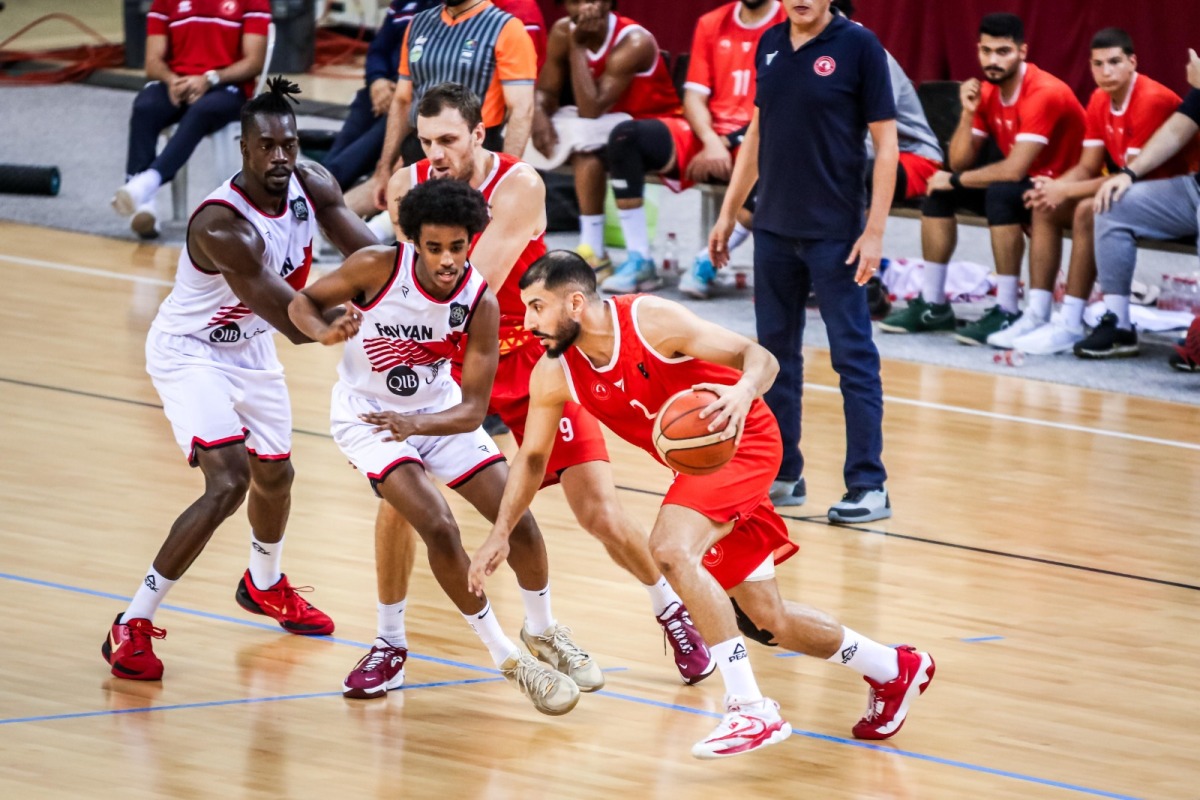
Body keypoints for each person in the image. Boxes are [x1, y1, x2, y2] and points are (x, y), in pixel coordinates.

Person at [467, 251, 935, 759]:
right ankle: (894, 668)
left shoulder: (651, 321)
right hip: (700, 468)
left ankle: (751, 709)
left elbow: (763, 358)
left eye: (537, 307)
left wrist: (741, 394)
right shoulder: (554, 373)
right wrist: (499, 534)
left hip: (746, 441)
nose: (529, 322)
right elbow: (533, 458)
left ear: (575, 302)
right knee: (768, 618)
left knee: (668, 548)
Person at [352, 83, 711, 698]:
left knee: (597, 509)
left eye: (449, 140)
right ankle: (390, 641)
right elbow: (382, 255)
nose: (435, 153)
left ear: (478, 136)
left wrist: (381, 295)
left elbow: (469, 287)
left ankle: (670, 611)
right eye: (426, 141)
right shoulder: (407, 183)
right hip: (445, 364)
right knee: (399, 497)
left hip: (530, 357)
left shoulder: (519, 185)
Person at [102, 78, 381, 681]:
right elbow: (292, 320)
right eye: (267, 147)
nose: (280, 157)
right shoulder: (222, 226)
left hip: (249, 351)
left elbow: (374, 262)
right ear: (244, 149)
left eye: (289, 144)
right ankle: (132, 621)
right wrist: (338, 324)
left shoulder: (315, 185)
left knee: (276, 475)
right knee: (227, 481)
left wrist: (428, 291)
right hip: (191, 353)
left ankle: (264, 583)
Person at [288, 179, 590, 715]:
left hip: (438, 415)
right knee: (438, 524)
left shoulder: (481, 302)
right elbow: (302, 305)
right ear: (413, 242)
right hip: (369, 420)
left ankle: (543, 630)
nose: (447, 259)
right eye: (434, 247)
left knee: (518, 521)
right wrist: (325, 331)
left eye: (457, 246)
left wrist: (419, 424)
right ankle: (510, 660)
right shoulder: (376, 267)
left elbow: (474, 409)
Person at [708, 0, 897, 521]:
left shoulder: (859, 46)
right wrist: (728, 214)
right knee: (773, 360)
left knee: (852, 357)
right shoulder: (769, 44)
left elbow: (887, 147)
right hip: (772, 230)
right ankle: (784, 474)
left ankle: (868, 484)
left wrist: (874, 231)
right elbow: (756, 138)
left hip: (835, 235)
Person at [880, 13, 1087, 346]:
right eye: (987, 51)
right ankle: (933, 305)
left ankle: (1008, 308)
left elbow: (1013, 170)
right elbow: (960, 161)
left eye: (1003, 51)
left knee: (999, 193)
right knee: (940, 194)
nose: (993, 60)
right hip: (1029, 184)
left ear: (1022, 51)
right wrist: (967, 112)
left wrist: (956, 180)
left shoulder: (1043, 92)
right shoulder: (988, 92)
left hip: (1069, 188)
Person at [1013, 30, 1199, 355]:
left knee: (1088, 207)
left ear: (1132, 62)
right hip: (1184, 189)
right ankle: (1090, 321)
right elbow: (1093, 166)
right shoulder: (1099, 98)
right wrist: (1057, 188)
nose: (1107, 71)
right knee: (1075, 205)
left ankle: (1070, 318)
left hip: (1171, 182)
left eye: (1114, 62)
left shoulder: (1151, 99)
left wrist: (1065, 189)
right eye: (1099, 64)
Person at [599, 0, 785, 299]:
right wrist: (712, 141)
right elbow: (694, 98)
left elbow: (783, 104)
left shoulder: (790, 19)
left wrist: (729, 142)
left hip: (759, 134)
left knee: (780, 160)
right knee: (626, 136)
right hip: (709, 135)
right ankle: (639, 260)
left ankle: (707, 259)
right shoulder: (712, 23)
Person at [529, 0, 682, 282]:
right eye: (576, 1)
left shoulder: (634, 40)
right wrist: (538, 113)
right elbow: (547, 91)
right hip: (604, 129)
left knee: (603, 138)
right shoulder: (562, 31)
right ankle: (593, 251)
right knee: (585, 152)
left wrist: (576, 47)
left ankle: (639, 258)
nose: (586, 7)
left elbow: (590, 109)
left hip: (651, 127)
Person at [112, 0, 270, 239]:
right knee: (145, 106)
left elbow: (253, 62)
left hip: (227, 86)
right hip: (179, 81)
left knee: (202, 110)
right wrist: (171, 79)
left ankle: (146, 183)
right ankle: (145, 207)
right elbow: (152, 62)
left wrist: (210, 79)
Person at [1081, 59, 1200, 359]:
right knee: (1114, 203)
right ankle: (1118, 325)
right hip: (1194, 189)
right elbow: (1179, 128)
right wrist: (1128, 174)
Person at [371, 0, 538, 211]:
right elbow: (403, 100)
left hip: (473, 152)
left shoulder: (507, 28)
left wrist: (506, 174)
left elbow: (522, 109)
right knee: (414, 236)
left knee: (464, 237)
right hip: (421, 147)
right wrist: (385, 166)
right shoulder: (418, 24)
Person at [322, 0, 442, 218]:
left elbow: (434, 65)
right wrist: (377, 81)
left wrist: (399, 90)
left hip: (411, 95)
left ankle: (317, 199)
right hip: (381, 91)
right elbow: (378, 49)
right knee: (340, 152)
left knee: (353, 158)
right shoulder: (402, 5)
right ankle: (320, 191)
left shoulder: (449, 10)